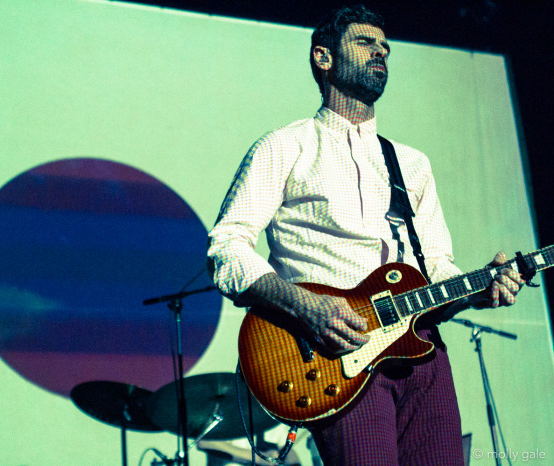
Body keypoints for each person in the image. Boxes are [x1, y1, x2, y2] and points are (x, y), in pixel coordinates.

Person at [206, 4, 525, 465]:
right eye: (364, 43)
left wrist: (480, 288)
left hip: (424, 354)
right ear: (323, 57)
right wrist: (307, 305)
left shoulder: (411, 165)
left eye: (386, 48)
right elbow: (226, 248)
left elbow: (435, 265)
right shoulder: (285, 146)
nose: (381, 53)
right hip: (339, 354)